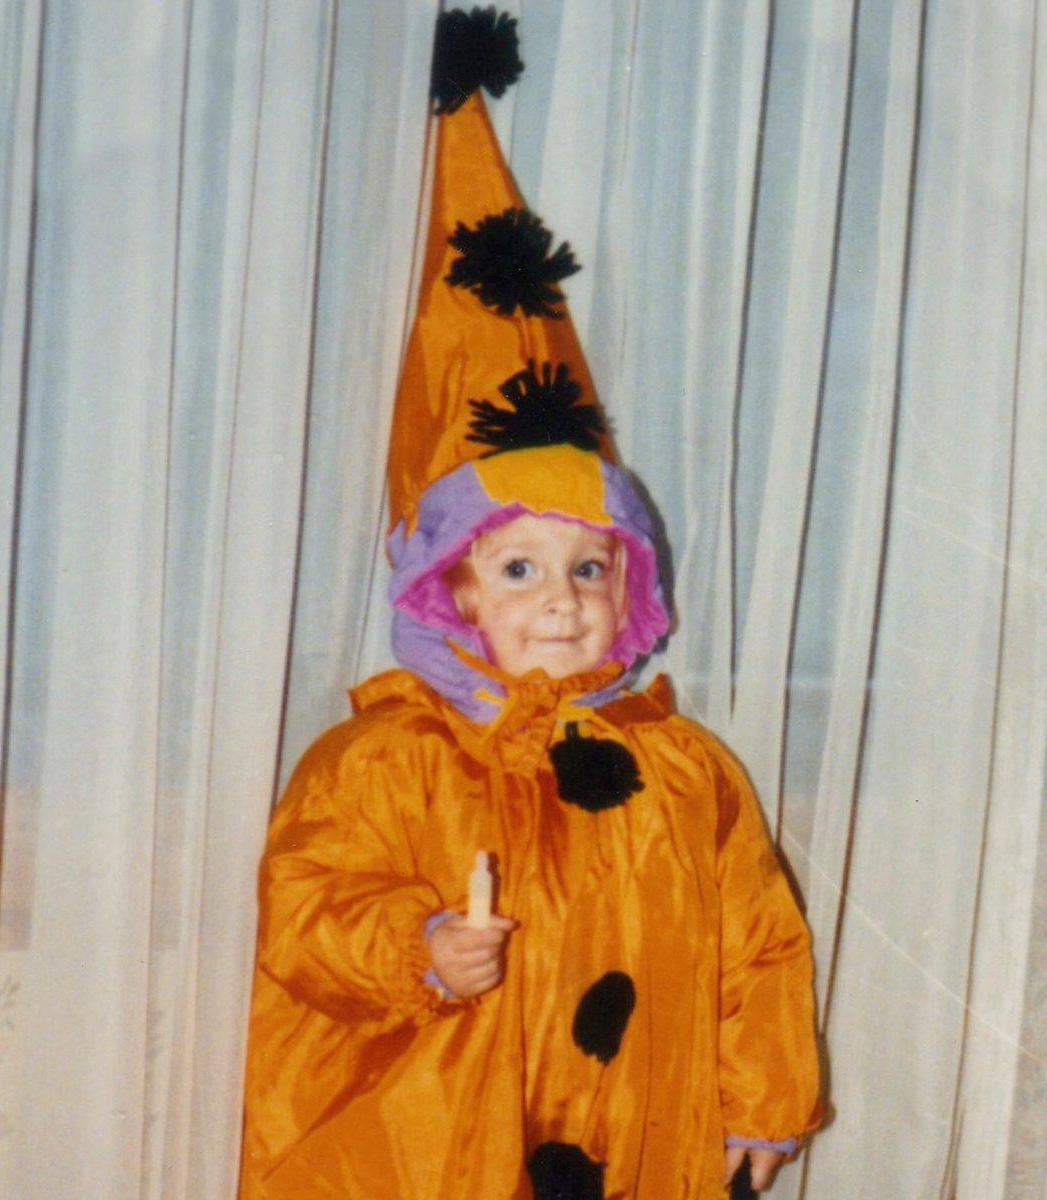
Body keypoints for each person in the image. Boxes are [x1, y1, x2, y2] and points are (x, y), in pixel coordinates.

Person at [240, 12, 821, 1196]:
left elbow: (759, 937)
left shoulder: (688, 772)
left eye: (589, 567)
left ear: (633, 586)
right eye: (519, 569)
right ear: (448, 589)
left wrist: (767, 1095)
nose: (561, 599)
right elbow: (306, 905)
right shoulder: (384, 760)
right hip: (438, 1138)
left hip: (641, 1134)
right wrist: (419, 946)